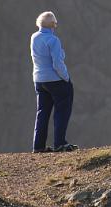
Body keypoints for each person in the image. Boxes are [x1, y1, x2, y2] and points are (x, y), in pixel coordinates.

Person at [30, 11, 77, 153]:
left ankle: (38, 146)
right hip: (55, 80)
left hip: (39, 80)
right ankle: (59, 143)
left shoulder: (34, 37)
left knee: (42, 112)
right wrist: (66, 78)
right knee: (62, 110)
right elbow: (57, 63)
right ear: (53, 25)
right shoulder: (53, 40)